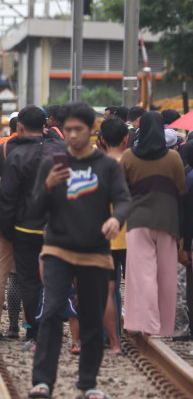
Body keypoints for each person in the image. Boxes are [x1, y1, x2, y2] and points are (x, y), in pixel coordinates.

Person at [28, 102, 131, 399]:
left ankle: (88, 383)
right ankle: (42, 381)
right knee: (50, 313)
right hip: (58, 249)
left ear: (91, 131)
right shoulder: (54, 164)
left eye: (78, 130)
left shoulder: (107, 166)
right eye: (68, 129)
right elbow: (34, 208)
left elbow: (124, 200)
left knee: (91, 317)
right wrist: (47, 186)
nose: (72, 135)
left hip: (95, 252)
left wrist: (116, 218)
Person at [0, 106, 65, 345]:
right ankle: (53, 328)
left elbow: (8, 198)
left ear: (21, 127)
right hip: (56, 227)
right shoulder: (61, 150)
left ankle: (34, 332)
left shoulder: (15, 155)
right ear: (46, 125)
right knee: (56, 278)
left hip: (25, 228)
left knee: (29, 281)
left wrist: (7, 229)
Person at [121, 110, 187, 337]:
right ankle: (164, 326)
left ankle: (144, 323)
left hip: (138, 220)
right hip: (168, 221)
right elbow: (180, 191)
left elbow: (122, 191)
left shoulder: (129, 157)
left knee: (142, 274)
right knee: (167, 276)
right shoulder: (174, 158)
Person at [97, 116, 130, 356]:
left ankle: (112, 340)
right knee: (125, 286)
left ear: (100, 141)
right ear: (126, 139)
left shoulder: (95, 165)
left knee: (106, 289)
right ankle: (130, 332)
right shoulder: (133, 163)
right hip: (131, 236)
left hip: (104, 236)